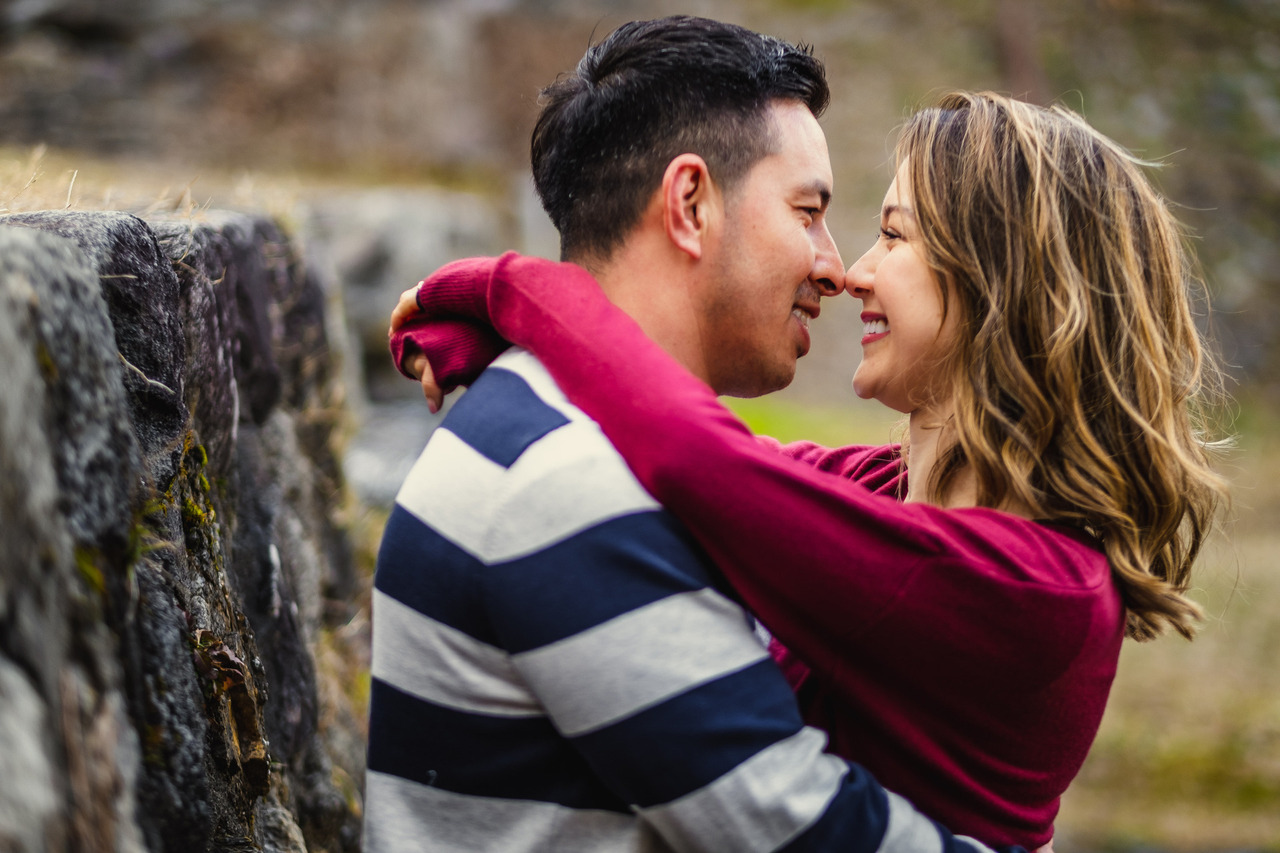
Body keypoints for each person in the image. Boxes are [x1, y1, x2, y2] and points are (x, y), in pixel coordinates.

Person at [391, 91, 1230, 850]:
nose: (853, 269)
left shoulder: (1035, 588)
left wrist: (506, 290)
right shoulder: (882, 491)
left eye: (894, 236)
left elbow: (694, 455)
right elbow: (696, 452)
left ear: (1003, 286)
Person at [368, 16, 1027, 853]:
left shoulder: (581, 435)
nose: (834, 264)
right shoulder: (567, 483)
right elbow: (792, 827)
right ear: (690, 204)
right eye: (809, 211)